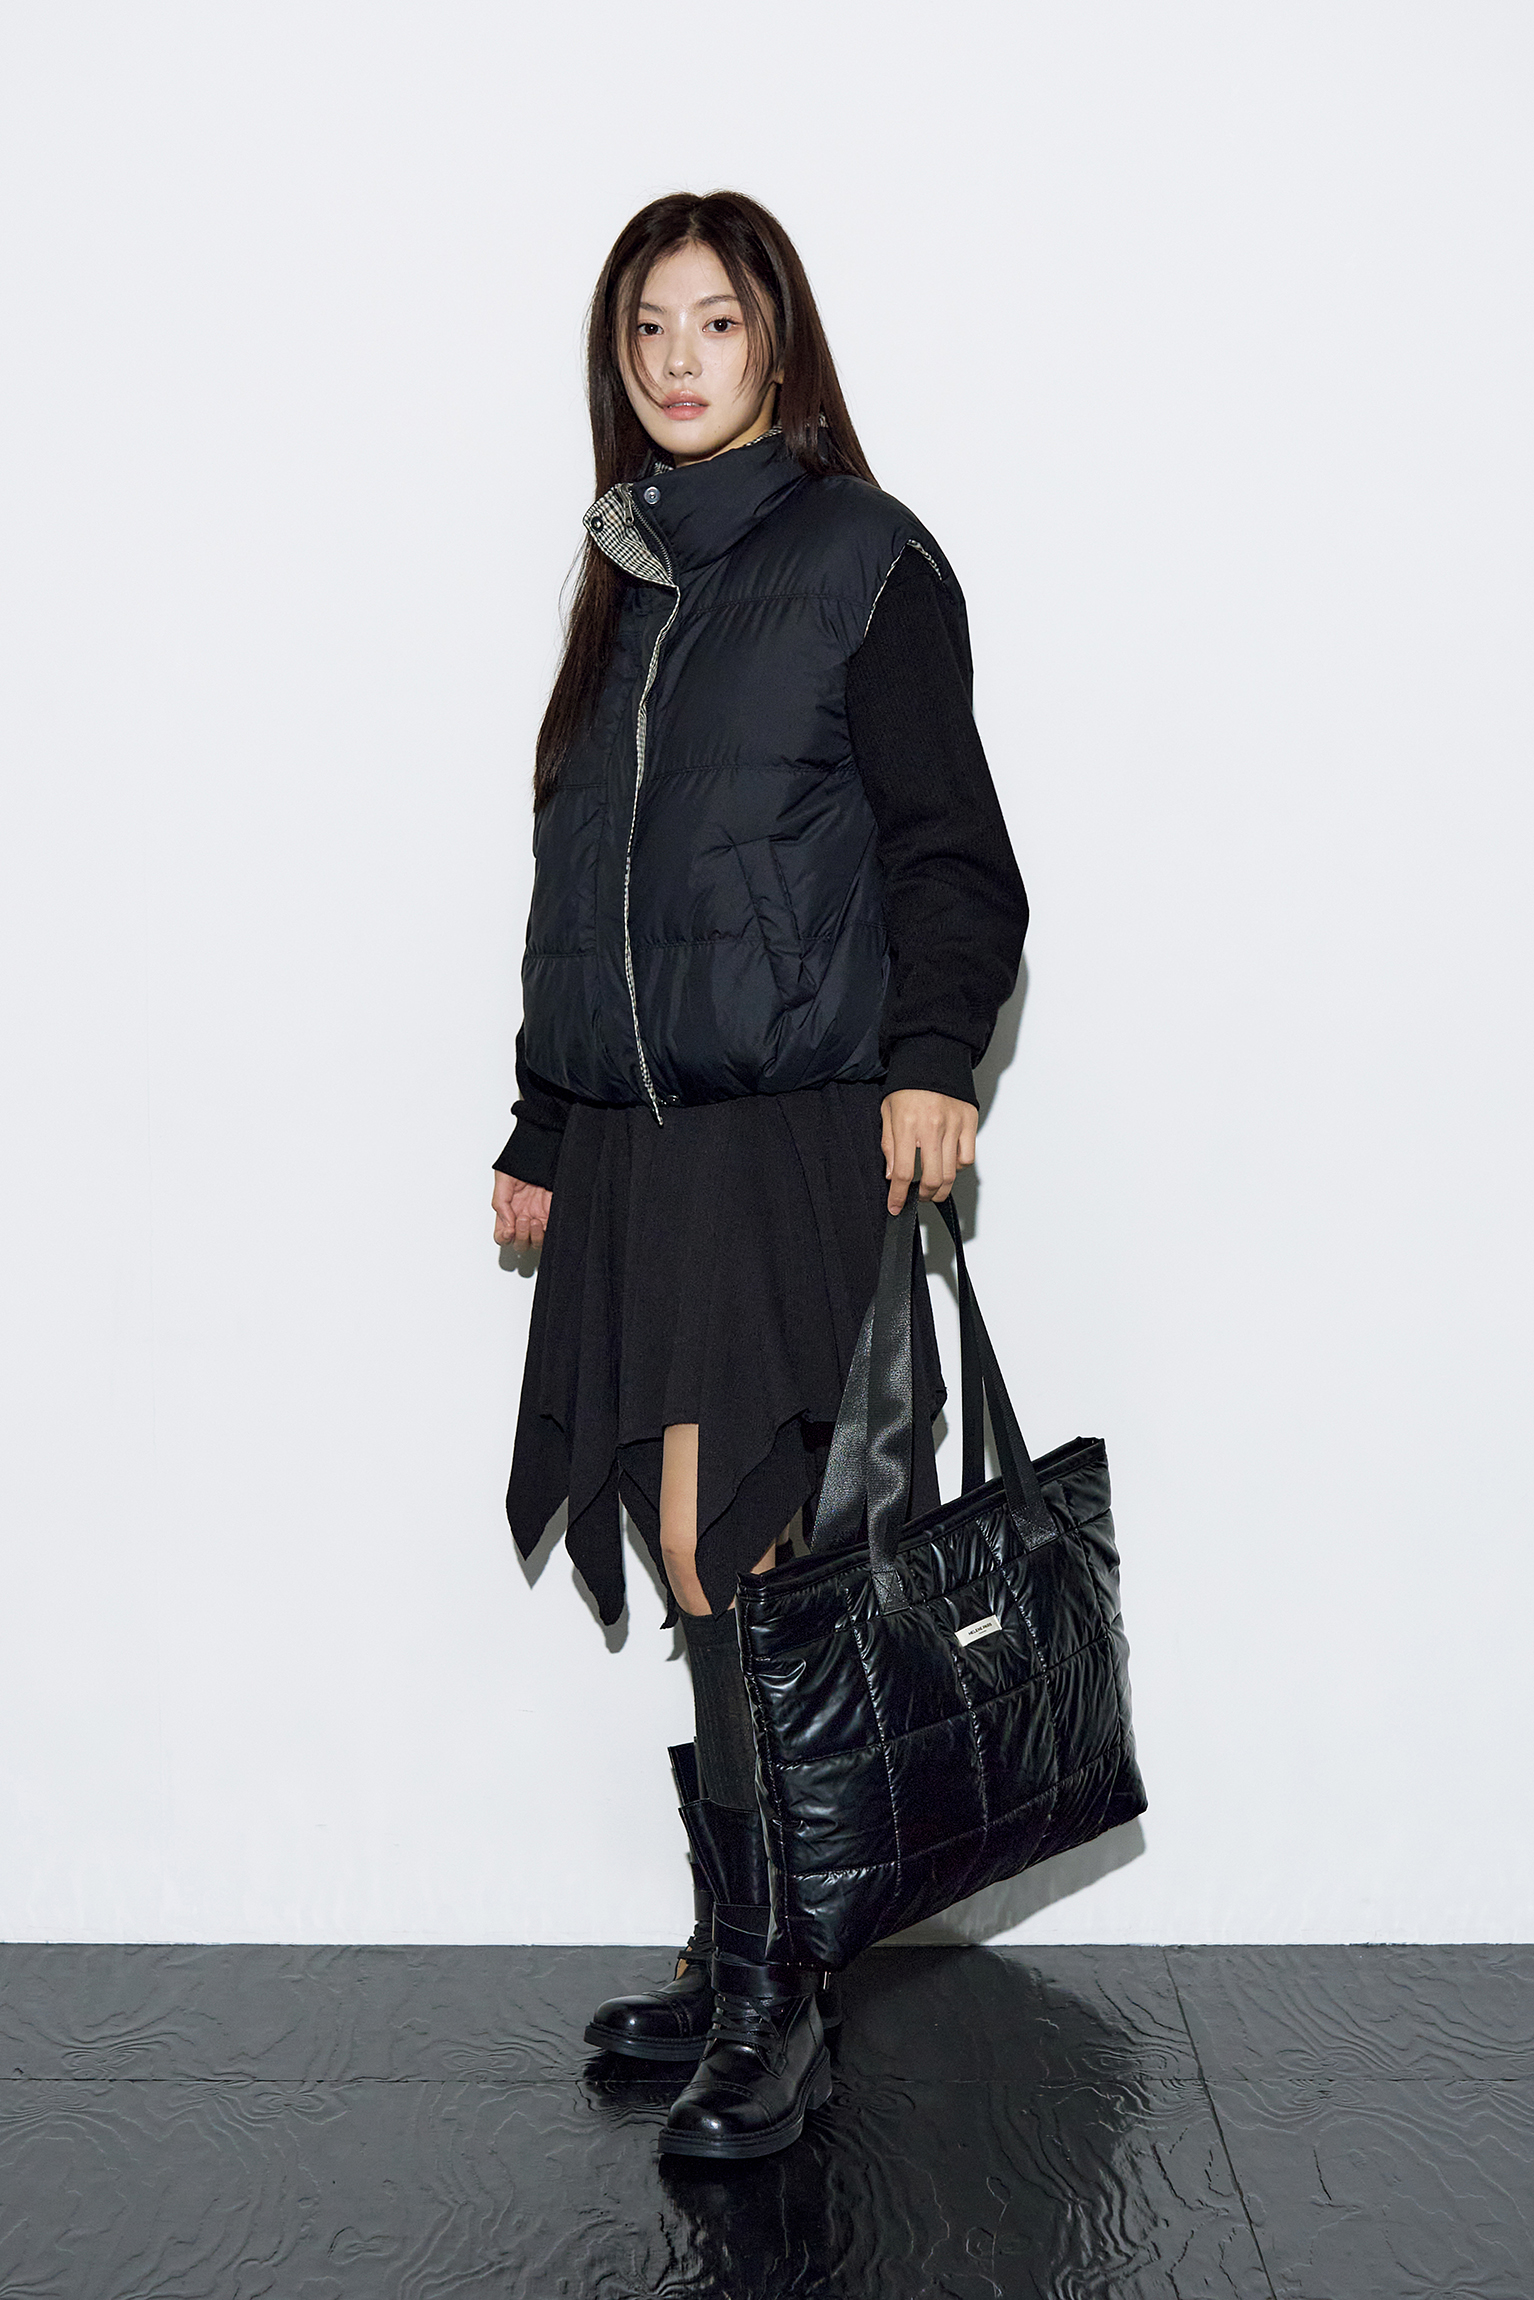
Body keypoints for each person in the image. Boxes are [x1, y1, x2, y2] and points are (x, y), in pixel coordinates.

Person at [491, 190, 1027, 2162]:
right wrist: (544, 1128)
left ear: (777, 345)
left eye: (713, 321)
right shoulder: (630, 581)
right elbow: (587, 895)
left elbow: (950, 846)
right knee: (703, 1546)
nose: (677, 357)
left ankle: (776, 1993)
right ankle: (742, 1952)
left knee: (733, 1544)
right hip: (642, 1151)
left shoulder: (861, 559)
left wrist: (934, 1058)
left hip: (789, 1130)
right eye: (647, 328)